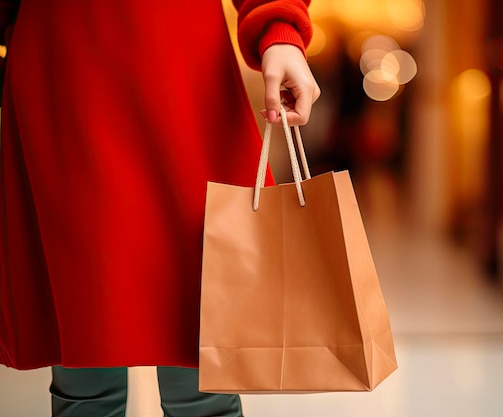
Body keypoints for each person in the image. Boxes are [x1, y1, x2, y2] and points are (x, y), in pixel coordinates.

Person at [0, 0, 320, 416]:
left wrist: (281, 31)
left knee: (199, 336)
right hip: (65, 68)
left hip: (177, 71)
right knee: (86, 336)